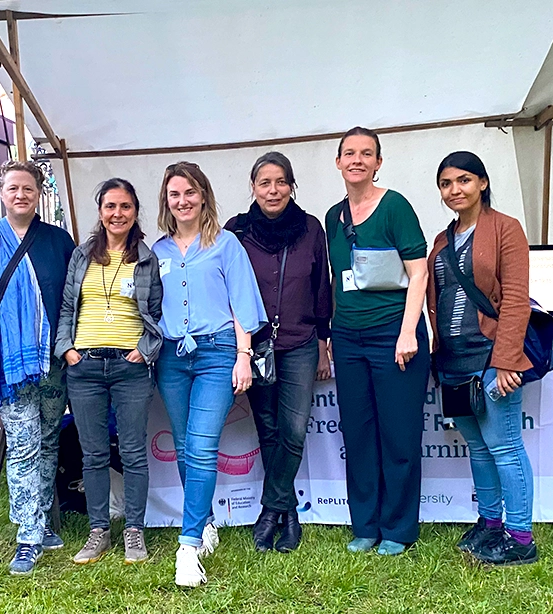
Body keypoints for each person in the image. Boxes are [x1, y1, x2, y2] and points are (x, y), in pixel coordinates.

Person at [152, 161, 266, 587]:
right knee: (184, 447)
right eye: (174, 194)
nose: (183, 201)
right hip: (170, 357)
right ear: (167, 200)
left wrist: (243, 355)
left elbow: (242, 304)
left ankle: (188, 546)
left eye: (190, 193)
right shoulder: (157, 252)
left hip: (217, 352)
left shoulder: (226, 244)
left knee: (201, 446)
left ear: (204, 196)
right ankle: (208, 520)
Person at [0, 159, 75, 575]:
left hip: (51, 362)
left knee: (47, 441)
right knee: (24, 445)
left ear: (40, 192)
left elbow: (70, 301)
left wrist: (67, 348)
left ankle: (41, 523)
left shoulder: (59, 241)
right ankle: (28, 536)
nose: (20, 195)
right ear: (1, 192)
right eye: (13, 188)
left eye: (28, 188)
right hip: (6, 362)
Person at [427, 151, 537, 565]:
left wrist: (506, 361)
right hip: (453, 362)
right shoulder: (442, 240)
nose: (455, 190)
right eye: (446, 183)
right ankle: (490, 523)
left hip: (490, 358)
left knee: (504, 446)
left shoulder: (506, 229)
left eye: (464, 181)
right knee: (477, 446)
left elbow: (515, 301)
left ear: (483, 183)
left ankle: (521, 538)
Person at [325, 127, 430, 556]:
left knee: (399, 433)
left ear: (378, 163)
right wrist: (331, 332)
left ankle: (399, 528)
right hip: (348, 337)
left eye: (366, 154)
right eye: (349, 153)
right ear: (338, 162)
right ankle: (365, 524)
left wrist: (408, 331)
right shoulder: (334, 216)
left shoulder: (395, 207)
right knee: (359, 432)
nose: (357, 160)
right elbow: (337, 278)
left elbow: (419, 272)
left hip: (394, 333)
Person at [224, 152, 332, 553]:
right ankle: (288, 514)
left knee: (293, 428)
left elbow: (323, 287)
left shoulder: (310, 229)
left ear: (291, 186)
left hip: (301, 343)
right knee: (267, 427)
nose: (273, 190)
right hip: (254, 345)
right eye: (264, 182)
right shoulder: (235, 231)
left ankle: (272, 509)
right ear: (253, 188)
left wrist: (323, 342)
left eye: (281, 182)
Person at [54, 178, 163, 565]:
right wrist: (66, 349)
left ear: (136, 212)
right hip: (83, 366)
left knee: (133, 452)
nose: (118, 214)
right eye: (110, 207)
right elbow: (67, 307)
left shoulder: (147, 258)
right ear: (100, 212)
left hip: (129, 367)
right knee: (93, 453)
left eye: (126, 207)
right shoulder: (82, 255)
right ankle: (98, 530)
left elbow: (158, 314)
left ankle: (134, 531)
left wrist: (144, 352)